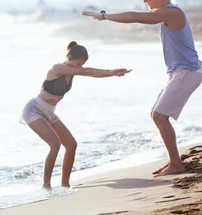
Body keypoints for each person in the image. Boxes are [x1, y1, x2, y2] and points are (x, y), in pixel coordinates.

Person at [81, 0, 202, 176]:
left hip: (188, 72)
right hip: (180, 72)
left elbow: (135, 16)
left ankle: (176, 164)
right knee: (157, 115)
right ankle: (174, 162)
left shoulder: (171, 12)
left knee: (159, 116)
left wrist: (104, 15)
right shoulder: (167, 13)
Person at [21, 41, 131, 189]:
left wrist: (112, 73)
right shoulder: (57, 68)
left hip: (49, 112)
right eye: (78, 64)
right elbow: (86, 72)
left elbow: (88, 72)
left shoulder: (74, 70)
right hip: (34, 110)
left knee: (71, 145)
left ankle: (65, 184)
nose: (80, 67)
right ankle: (46, 186)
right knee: (55, 145)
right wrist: (110, 71)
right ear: (69, 57)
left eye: (81, 64)